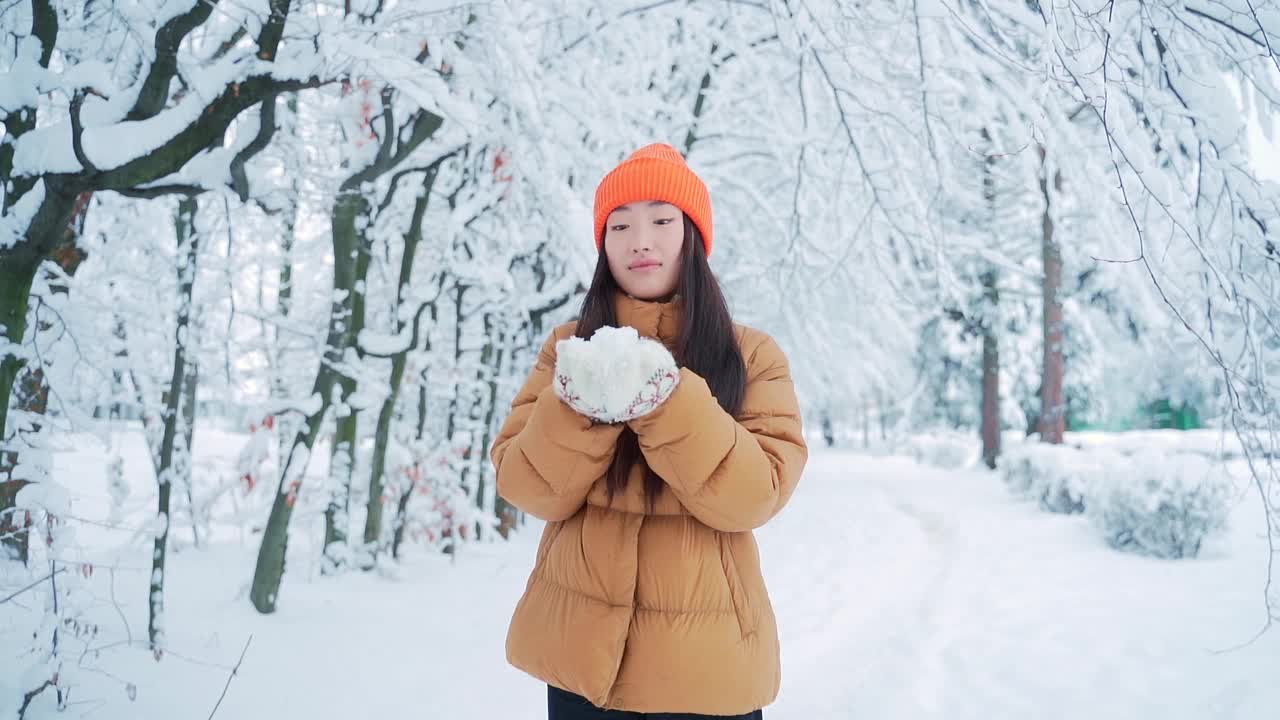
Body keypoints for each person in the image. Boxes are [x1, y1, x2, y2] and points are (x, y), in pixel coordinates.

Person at [491, 143, 808, 719]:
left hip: (707, 670)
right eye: (620, 225)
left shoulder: (752, 356)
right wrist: (580, 397)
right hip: (582, 665)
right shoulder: (568, 349)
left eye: (662, 220)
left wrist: (669, 400)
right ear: (603, 244)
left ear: (693, 236)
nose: (641, 240)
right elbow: (525, 485)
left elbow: (756, 495)